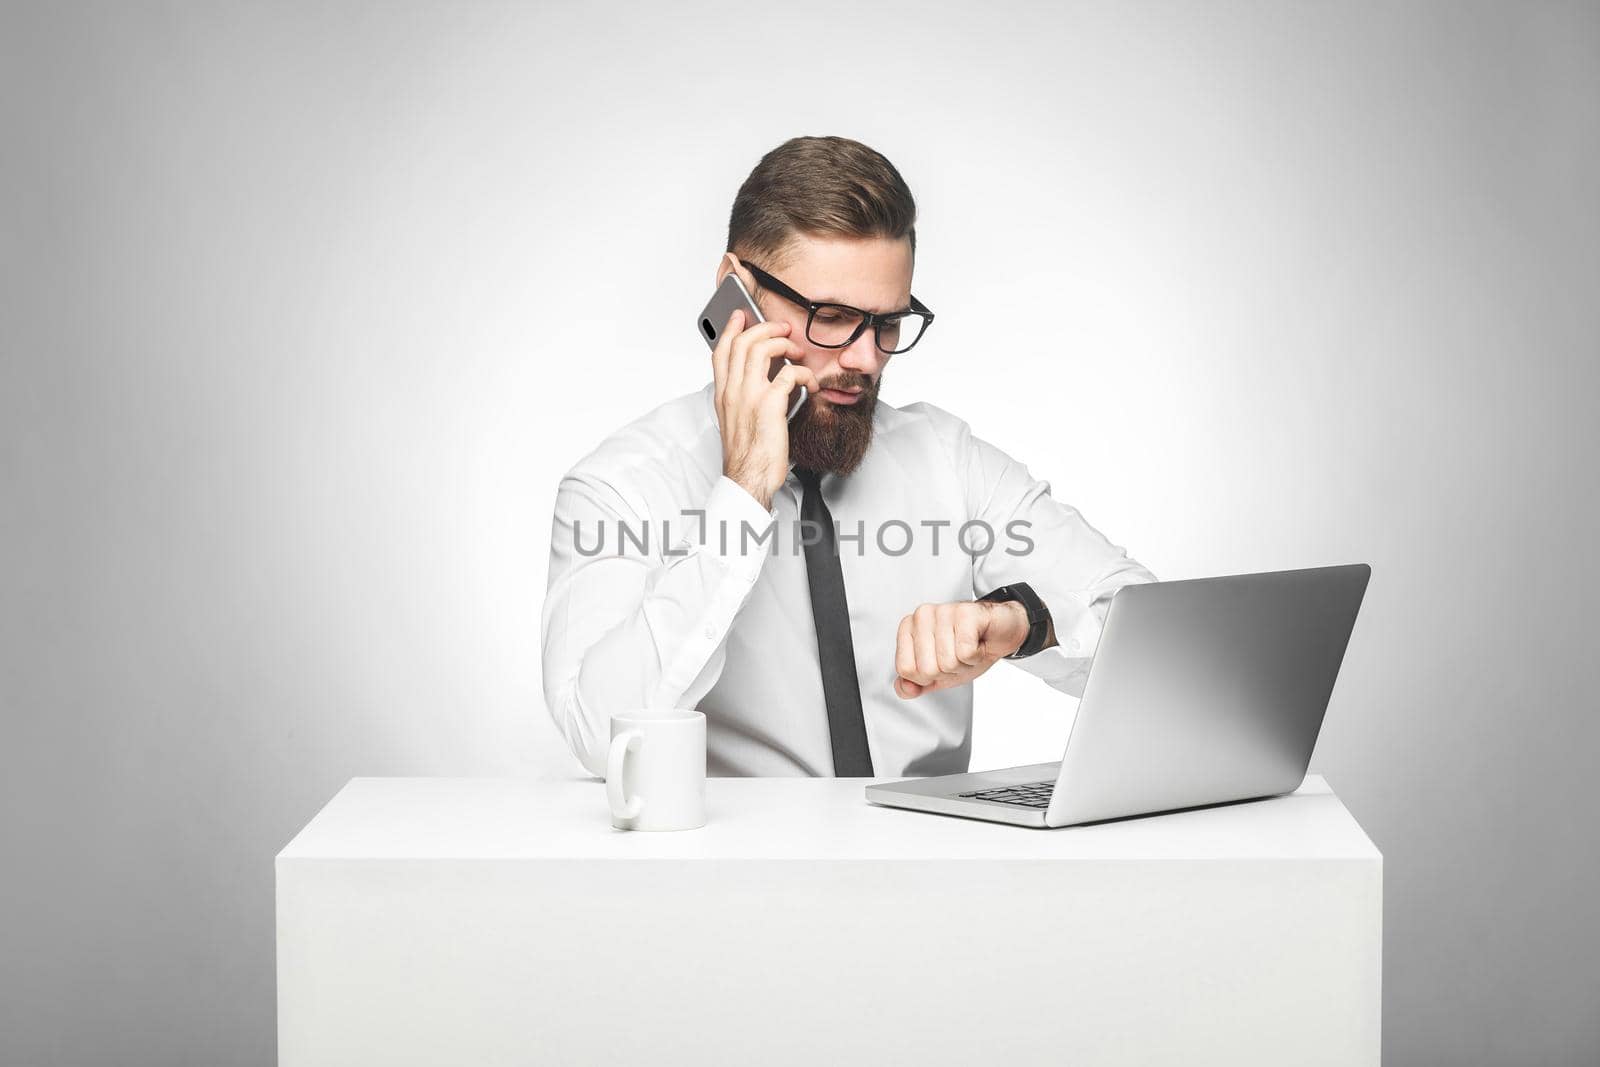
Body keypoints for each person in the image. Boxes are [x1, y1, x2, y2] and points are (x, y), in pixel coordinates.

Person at [541, 135, 1157, 778]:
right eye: (831, 317)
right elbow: (602, 732)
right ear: (735, 294)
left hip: (934, 860)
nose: (866, 360)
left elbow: (1151, 638)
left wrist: (1021, 622)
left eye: (888, 322)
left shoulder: (948, 461)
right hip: (733, 869)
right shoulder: (623, 485)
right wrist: (744, 490)